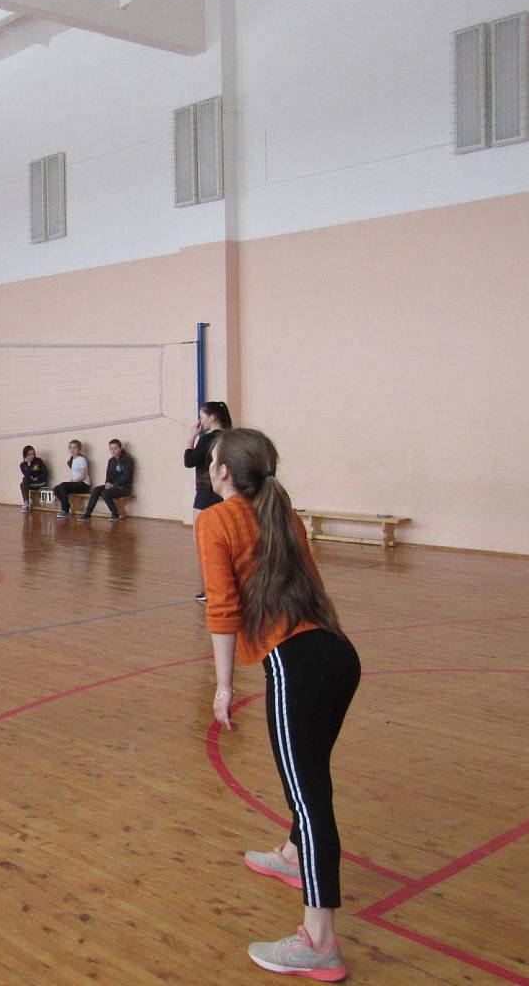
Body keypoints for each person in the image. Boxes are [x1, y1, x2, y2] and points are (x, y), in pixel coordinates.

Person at [198, 428, 360, 982]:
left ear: (222, 472)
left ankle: (320, 942)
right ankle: (293, 856)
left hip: (296, 665)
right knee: (311, 779)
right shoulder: (282, 513)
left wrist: (223, 688)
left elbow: (222, 608)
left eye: (212, 459)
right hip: (338, 655)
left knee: (310, 800)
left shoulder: (216, 520)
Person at [184, 401, 234, 601]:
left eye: (202, 416)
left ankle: (212, 588)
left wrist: (191, 437)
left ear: (211, 417)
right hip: (227, 492)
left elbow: (189, 461)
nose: (200, 421)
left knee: (202, 541)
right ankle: (229, 585)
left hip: (206, 492)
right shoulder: (231, 437)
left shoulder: (207, 439)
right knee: (226, 540)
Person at [78, 439, 134, 520]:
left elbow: (126, 476)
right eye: (111, 449)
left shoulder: (127, 460)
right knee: (96, 489)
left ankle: (115, 514)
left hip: (123, 488)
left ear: (120, 448)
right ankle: (87, 514)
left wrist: (113, 485)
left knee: (105, 493)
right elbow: (108, 475)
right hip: (112, 486)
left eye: (115, 448)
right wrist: (107, 482)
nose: (113, 451)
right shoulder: (111, 461)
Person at [52, 439, 90, 518]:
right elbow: (74, 475)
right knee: (57, 488)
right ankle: (67, 506)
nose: (72, 450)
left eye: (75, 448)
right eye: (70, 448)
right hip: (77, 483)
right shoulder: (72, 460)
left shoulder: (82, 459)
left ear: (79, 449)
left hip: (84, 484)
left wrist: (73, 482)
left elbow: (83, 476)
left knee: (63, 485)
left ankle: (65, 510)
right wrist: (71, 482)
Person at [19, 445, 49, 513]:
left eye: (33, 454)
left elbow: (45, 473)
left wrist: (36, 478)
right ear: (25, 455)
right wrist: (29, 465)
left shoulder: (38, 461)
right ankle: (27, 503)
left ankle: (26, 504)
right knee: (23, 482)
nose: (32, 456)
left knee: (22, 484)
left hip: (41, 482)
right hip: (31, 483)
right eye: (29, 455)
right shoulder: (23, 465)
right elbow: (27, 476)